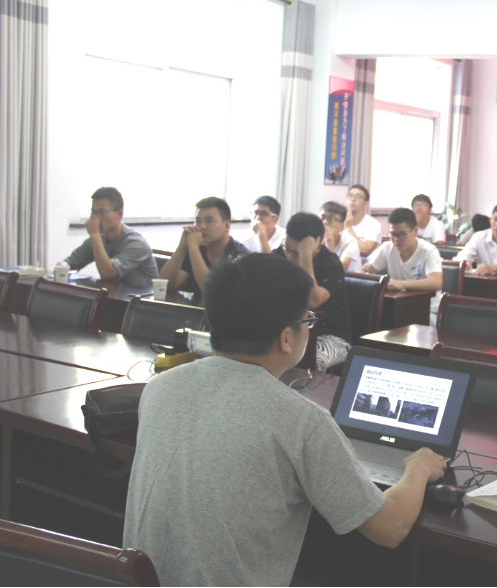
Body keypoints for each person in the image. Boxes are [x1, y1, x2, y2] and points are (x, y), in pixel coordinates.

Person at [123, 253, 446, 586]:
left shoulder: (159, 388)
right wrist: (419, 467)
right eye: (307, 319)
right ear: (286, 338)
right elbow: (390, 528)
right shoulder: (301, 422)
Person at [274, 213, 352, 371]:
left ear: (317, 247)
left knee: (313, 360)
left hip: (329, 336)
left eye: (296, 253)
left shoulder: (331, 264)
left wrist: (305, 255)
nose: (290, 256)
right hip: (288, 331)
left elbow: (311, 301)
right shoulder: (279, 255)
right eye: (288, 249)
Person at [61, 187, 158, 287]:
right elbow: (70, 262)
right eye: (93, 212)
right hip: (113, 294)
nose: (96, 218)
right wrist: (62, 267)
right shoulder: (100, 238)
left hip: (140, 295)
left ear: (119, 214)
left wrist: (95, 235)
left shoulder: (136, 243)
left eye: (102, 212)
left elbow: (107, 273)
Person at [361, 208, 443, 322]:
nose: (396, 239)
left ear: (415, 230)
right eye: (392, 234)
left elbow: (436, 282)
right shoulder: (387, 248)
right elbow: (364, 271)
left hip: (427, 311)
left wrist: (402, 284)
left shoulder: (428, 251)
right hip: (397, 307)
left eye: (401, 234)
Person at [159, 196, 248, 300]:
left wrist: (193, 247)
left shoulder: (240, 256)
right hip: (194, 309)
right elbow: (164, 286)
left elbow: (213, 293)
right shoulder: (197, 248)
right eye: (198, 221)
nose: (201, 226)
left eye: (209, 221)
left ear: (227, 226)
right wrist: (182, 247)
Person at [454, 203, 497, 276]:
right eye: (495, 219)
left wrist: (492, 268)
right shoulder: (479, 236)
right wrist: (464, 262)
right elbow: (460, 257)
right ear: (490, 220)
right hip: (482, 279)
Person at [320, 201, 360, 272]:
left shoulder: (351, 243)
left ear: (342, 226)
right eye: (322, 217)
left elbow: (338, 270)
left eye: (331, 219)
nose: (325, 222)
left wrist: (329, 240)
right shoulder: (315, 239)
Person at [345, 184, 382, 257]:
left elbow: (366, 251)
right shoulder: (339, 220)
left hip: (363, 261)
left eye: (358, 197)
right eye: (350, 196)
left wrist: (349, 228)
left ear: (365, 203)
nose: (352, 199)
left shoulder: (373, 224)